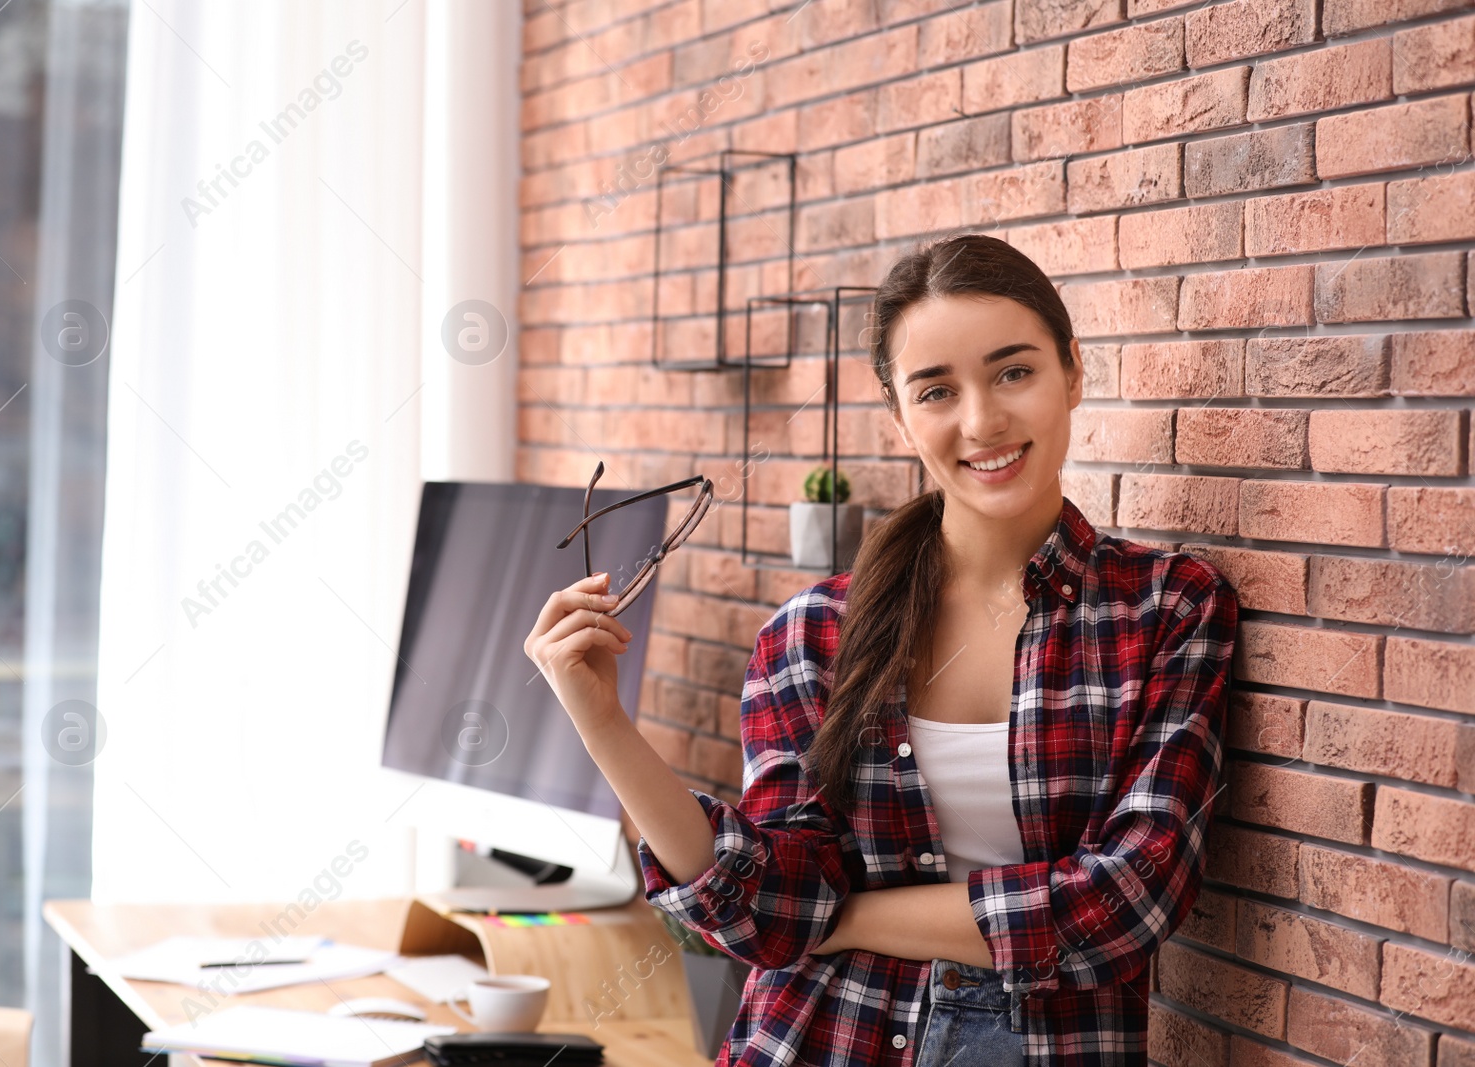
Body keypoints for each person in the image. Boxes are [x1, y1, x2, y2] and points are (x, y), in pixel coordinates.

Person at [524, 233, 1238, 1066]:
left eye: (1014, 371)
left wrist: (849, 916)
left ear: (1073, 372)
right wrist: (603, 721)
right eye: (937, 390)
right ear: (900, 417)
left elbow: (1127, 902)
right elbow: (760, 911)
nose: (982, 420)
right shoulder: (811, 633)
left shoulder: (1168, 608)